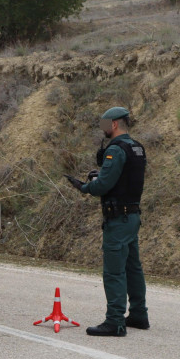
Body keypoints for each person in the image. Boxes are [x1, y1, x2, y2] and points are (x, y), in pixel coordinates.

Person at [65, 107, 149, 337]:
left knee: (114, 271)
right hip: (132, 215)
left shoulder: (116, 149)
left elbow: (103, 185)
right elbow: (124, 178)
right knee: (133, 268)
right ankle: (139, 315)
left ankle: (115, 321)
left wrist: (85, 186)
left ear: (113, 124)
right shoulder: (137, 147)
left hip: (118, 219)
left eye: (104, 124)